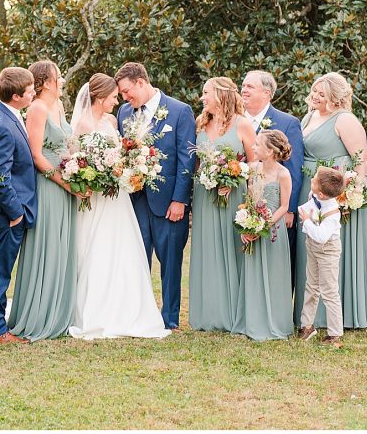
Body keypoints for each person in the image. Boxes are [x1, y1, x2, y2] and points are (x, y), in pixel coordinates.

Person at [67, 73, 169, 340]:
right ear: (100, 98)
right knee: (96, 249)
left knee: (123, 249)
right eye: (114, 96)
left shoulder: (111, 121)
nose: (118, 101)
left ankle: (126, 308)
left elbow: (121, 154)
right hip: (96, 197)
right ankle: (95, 312)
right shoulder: (81, 125)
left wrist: (131, 166)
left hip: (117, 198)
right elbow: (75, 162)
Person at [292, 73, 367, 330]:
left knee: (331, 252)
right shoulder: (308, 116)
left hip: (334, 193)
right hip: (310, 190)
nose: (315, 96)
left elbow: (360, 161)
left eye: (322, 93)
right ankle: (309, 316)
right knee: (310, 249)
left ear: (335, 96)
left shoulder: (346, 120)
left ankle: (340, 315)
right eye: (314, 91)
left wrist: (350, 196)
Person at [115, 62, 195, 330]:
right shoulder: (124, 113)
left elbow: (186, 159)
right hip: (135, 199)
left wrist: (180, 200)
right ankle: (139, 314)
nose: (125, 98)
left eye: (127, 91)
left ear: (140, 82)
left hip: (169, 201)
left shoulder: (179, 111)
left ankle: (169, 319)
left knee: (170, 263)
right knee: (136, 259)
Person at [8, 61, 78, 341]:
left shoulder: (59, 108)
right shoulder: (36, 108)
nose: (62, 80)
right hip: (49, 186)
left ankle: (60, 310)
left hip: (67, 183)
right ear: (47, 82)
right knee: (47, 245)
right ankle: (39, 313)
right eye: (58, 76)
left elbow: (67, 145)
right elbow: (36, 155)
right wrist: (64, 182)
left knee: (62, 246)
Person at [188, 76, 257, 332]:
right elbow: (196, 163)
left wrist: (235, 176)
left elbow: (255, 163)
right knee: (207, 250)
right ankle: (209, 313)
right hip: (206, 197)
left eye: (206, 93)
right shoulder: (200, 123)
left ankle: (231, 313)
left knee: (231, 249)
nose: (202, 98)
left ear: (222, 95)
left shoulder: (243, 125)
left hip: (233, 198)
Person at [0, 67, 38, 344]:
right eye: (30, 91)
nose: (34, 93)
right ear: (16, 96)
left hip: (10, 212)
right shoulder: (3, 125)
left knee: (2, 269)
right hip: (6, 215)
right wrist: (16, 213)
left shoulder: (5, 114)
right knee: (0, 271)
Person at [240, 70, 305, 295]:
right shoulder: (235, 120)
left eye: (250, 86)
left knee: (278, 258)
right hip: (242, 202)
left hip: (276, 204)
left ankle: (279, 304)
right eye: (243, 85)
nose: (243, 90)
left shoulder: (288, 123)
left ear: (266, 93)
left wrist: (290, 210)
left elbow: (294, 169)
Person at [232, 129, 294, 341]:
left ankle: (275, 321)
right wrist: (247, 226)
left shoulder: (282, 174)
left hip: (273, 231)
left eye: (258, 145)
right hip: (253, 226)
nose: (253, 148)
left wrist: (263, 225)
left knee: (274, 275)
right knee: (253, 274)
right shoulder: (252, 169)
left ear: (270, 151)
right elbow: (249, 198)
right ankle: (252, 320)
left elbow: (284, 206)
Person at [298, 166, 347, 346]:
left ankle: (335, 333)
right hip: (312, 246)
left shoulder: (332, 213)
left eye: (314, 180)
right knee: (311, 285)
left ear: (323, 194)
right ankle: (307, 325)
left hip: (328, 250)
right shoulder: (315, 196)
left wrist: (307, 222)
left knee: (329, 291)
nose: (312, 180)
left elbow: (321, 236)